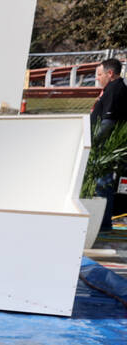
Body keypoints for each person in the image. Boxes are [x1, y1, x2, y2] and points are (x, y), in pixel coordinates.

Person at [90, 58, 127, 232]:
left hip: (105, 148)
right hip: (105, 147)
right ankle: (104, 223)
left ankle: (103, 224)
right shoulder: (112, 89)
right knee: (104, 185)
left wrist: (93, 143)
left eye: (99, 74)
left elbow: (108, 122)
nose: (97, 78)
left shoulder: (114, 89)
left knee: (102, 186)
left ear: (110, 73)